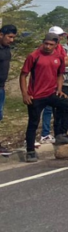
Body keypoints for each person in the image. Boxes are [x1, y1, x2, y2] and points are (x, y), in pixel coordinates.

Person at [20, 35, 68, 162]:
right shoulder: (34, 56)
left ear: (56, 45)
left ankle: (61, 134)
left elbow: (60, 74)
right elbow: (24, 75)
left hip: (51, 94)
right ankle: (30, 151)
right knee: (33, 123)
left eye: (51, 44)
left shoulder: (58, 57)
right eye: (46, 43)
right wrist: (25, 94)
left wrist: (59, 89)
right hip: (35, 96)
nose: (47, 46)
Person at [41, 29, 68, 144]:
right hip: (63, 84)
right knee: (60, 112)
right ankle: (59, 134)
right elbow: (64, 67)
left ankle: (63, 133)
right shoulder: (62, 50)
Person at [0, 25, 15, 156]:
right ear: (1, 35)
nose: (11, 40)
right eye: (9, 37)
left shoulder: (7, 49)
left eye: (13, 37)